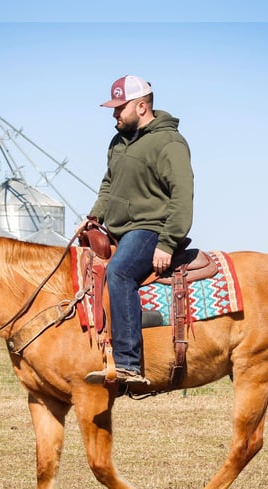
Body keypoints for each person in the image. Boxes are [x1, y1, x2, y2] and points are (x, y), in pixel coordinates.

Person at [84, 75, 194, 386]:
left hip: (149, 229)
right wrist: (94, 216)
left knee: (119, 272)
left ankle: (128, 364)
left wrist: (168, 242)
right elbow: (108, 185)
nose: (114, 115)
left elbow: (182, 195)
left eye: (120, 108)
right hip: (117, 229)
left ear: (142, 106)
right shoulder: (118, 142)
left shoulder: (169, 143)